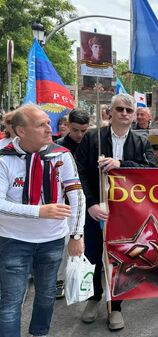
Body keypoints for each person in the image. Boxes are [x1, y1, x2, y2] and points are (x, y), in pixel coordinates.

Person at [0, 104, 85, 337]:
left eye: (48, 122)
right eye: (41, 125)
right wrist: (39, 211)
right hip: (13, 240)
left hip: (53, 239)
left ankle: (39, 333)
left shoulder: (62, 154)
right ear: (21, 131)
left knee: (47, 295)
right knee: (10, 301)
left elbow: (77, 195)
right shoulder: (3, 157)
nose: (50, 128)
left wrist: (77, 234)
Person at [75, 93, 156, 331]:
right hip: (96, 210)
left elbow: (151, 169)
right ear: (110, 112)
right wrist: (90, 203)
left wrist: (122, 165)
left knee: (120, 259)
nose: (124, 114)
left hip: (127, 213)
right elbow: (78, 172)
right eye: (119, 109)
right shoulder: (92, 138)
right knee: (93, 256)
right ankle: (94, 298)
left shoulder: (141, 141)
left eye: (129, 111)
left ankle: (116, 305)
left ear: (134, 115)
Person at [54, 109, 90, 298]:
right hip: (66, 203)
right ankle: (59, 279)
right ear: (67, 126)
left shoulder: (92, 144)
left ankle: (80, 277)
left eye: (84, 131)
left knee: (83, 243)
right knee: (64, 244)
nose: (79, 135)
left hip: (88, 201)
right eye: (75, 130)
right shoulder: (58, 147)